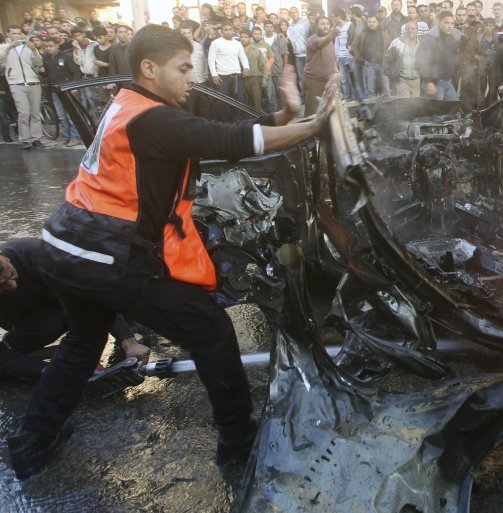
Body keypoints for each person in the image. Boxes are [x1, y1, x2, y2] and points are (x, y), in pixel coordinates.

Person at [4, 24, 335, 481]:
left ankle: (31, 445)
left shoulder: (129, 106)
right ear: (149, 68)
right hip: (109, 255)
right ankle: (238, 445)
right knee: (211, 330)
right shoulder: (153, 119)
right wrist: (308, 127)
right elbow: (227, 142)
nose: (190, 78)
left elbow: (214, 134)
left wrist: (282, 116)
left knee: (81, 342)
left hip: (63, 246)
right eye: (182, 69)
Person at [0, 239, 149, 379]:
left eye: (11, 276)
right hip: (31, 322)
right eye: (1, 286)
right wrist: (51, 371)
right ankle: (35, 352)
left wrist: (128, 341)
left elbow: (89, 294)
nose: (11, 287)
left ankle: (127, 321)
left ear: (3, 257)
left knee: (107, 286)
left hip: (67, 299)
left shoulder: (36, 254)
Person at [4, 25, 44, 150]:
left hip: (33, 82)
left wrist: (33, 50)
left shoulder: (27, 48)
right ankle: (24, 139)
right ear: (8, 34)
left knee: (35, 112)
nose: (17, 35)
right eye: (14, 33)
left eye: (19, 33)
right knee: (24, 112)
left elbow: (39, 62)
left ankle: (36, 138)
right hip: (16, 83)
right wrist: (9, 47)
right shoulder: (5, 48)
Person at [40, 37, 82, 146]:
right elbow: (46, 75)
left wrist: (74, 86)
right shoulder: (46, 58)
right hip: (55, 90)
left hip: (68, 90)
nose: (49, 48)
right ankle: (66, 136)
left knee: (71, 115)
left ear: (57, 45)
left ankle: (75, 137)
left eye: (51, 46)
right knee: (61, 116)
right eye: (46, 47)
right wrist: (42, 72)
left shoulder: (66, 57)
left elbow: (76, 72)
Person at [416, 11, 461, 100]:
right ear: (439, 22)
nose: (450, 26)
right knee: (436, 112)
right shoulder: (430, 38)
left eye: (452, 23)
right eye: (446, 22)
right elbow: (420, 62)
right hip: (435, 83)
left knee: (454, 109)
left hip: (448, 81)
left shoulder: (452, 38)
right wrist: (428, 81)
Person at [304, 16, 339, 114]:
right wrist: (330, 36)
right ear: (316, 26)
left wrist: (336, 71)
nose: (325, 26)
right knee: (312, 111)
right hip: (314, 81)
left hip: (327, 81)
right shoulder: (312, 39)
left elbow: (333, 57)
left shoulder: (329, 40)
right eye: (322, 24)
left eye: (327, 24)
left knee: (327, 110)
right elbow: (320, 43)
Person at [208, 22, 250, 102]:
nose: (228, 31)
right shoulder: (216, 43)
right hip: (222, 77)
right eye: (226, 30)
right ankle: (224, 115)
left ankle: (239, 115)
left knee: (239, 100)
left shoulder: (237, 44)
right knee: (222, 101)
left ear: (233, 30)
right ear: (222, 31)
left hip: (236, 76)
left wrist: (246, 67)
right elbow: (211, 59)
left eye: (230, 29)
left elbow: (243, 57)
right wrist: (214, 75)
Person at [351, 14, 391, 98]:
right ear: (367, 23)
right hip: (368, 64)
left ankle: (388, 109)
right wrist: (358, 57)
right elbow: (354, 45)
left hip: (383, 64)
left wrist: (388, 58)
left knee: (386, 90)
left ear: (378, 23)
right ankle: (371, 109)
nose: (371, 24)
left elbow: (390, 46)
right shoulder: (363, 33)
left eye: (374, 22)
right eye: (369, 22)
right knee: (370, 91)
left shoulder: (384, 33)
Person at [386, 20, 421, 97]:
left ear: (417, 30)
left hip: (417, 81)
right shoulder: (397, 42)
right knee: (405, 104)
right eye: (408, 28)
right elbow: (387, 59)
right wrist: (391, 75)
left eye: (412, 28)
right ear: (405, 30)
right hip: (402, 80)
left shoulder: (421, 44)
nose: (410, 30)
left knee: (416, 104)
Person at [331, 8, 356, 101]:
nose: (332, 18)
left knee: (352, 79)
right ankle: (347, 98)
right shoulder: (336, 29)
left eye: (334, 17)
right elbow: (336, 44)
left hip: (349, 57)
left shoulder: (350, 25)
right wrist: (336, 57)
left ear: (338, 16)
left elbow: (353, 40)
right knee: (344, 80)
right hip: (340, 57)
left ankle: (354, 98)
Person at [242, 28, 269, 110]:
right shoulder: (237, 50)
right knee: (245, 102)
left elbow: (263, 66)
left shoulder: (257, 51)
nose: (243, 39)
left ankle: (259, 120)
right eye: (241, 37)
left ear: (250, 38)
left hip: (255, 79)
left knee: (256, 103)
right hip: (241, 79)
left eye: (245, 37)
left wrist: (264, 79)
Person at [286, 6, 310, 95]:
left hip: (308, 54)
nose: (293, 14)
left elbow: (310, 36)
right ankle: (303, 96)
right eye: (291, 12)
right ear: (290, 14)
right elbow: (289, 40)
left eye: (295, 12)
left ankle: (310, 95)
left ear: (298, 13)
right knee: (300, 77)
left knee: (310, 76)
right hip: (298, 56)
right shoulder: (290, 27)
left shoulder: (306, 23)